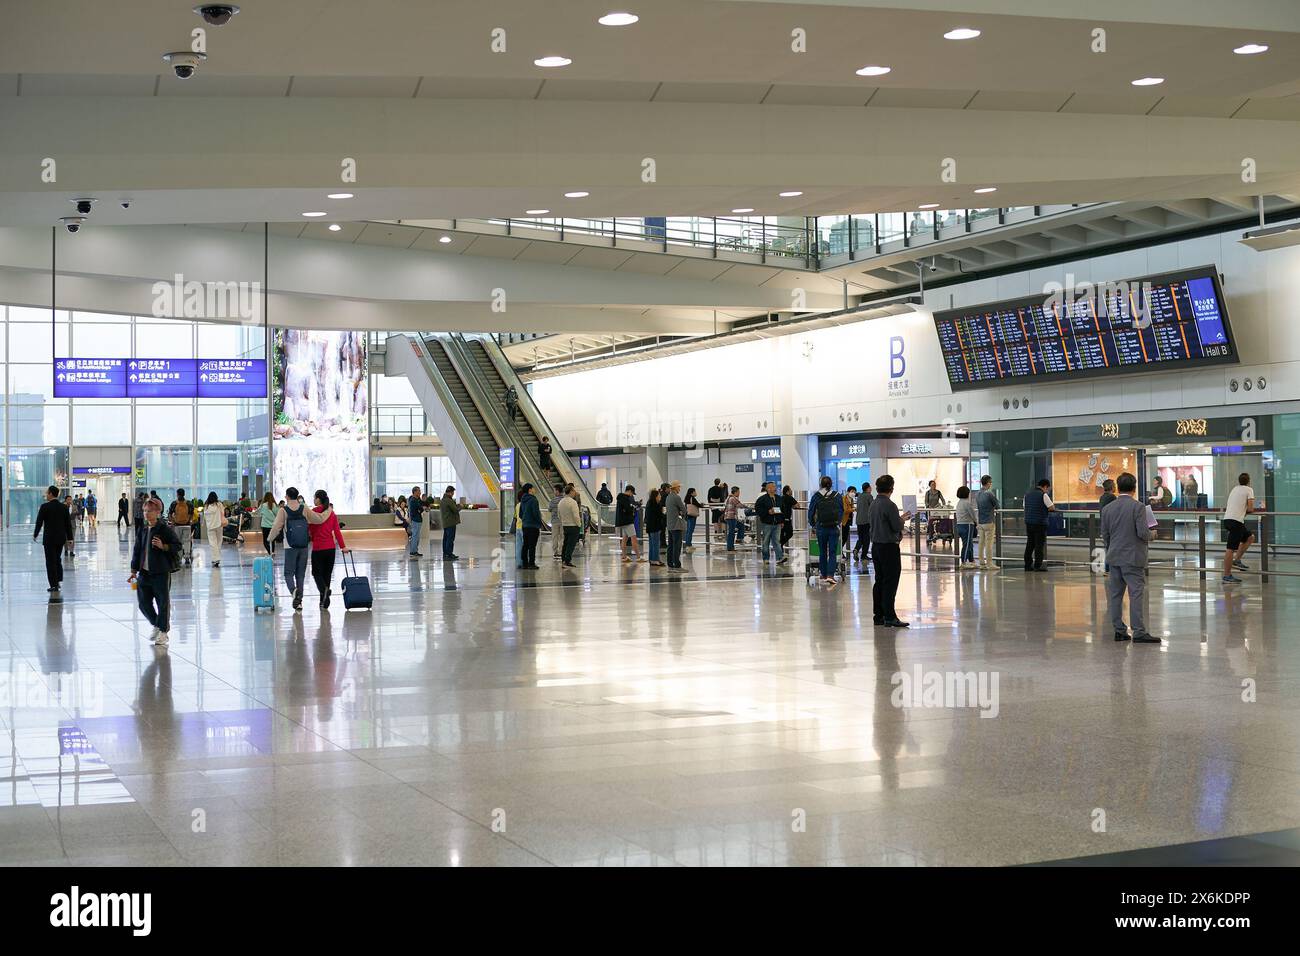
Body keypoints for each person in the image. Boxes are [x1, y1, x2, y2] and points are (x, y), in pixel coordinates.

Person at [1101, 472, 1158, 643]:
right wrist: (1153, 534)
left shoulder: (1107, 509)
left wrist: (1112, 549)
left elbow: (1105, 535)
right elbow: (1142, 533)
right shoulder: (1138, 507)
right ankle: (1139, 631)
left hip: (1114, 556)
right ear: (1134, 488)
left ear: (1118, 487)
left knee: (1115, 595)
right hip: (1133, 558)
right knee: (1136, 594)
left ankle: (1119, 630)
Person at [267, 486, 335, 611]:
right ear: (297, 496)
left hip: (290, 546)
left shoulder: (284, 510)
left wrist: (269, 539)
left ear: (287, 496)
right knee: (300, 574)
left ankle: (294, 593)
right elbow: (318, 519)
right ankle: (299, 602)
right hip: (304, 546)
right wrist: (328, 510)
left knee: (288, 573)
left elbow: (277, 527)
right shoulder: (304, 508)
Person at [128, 497, 182, 647]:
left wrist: (163, 546)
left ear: (158, 512)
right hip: (144, 573)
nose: (146, 514)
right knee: (143, 603)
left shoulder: (164, 529)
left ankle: (163, 632)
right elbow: (137, 550)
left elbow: (177, 545)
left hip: (160, 572)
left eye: (150, 511)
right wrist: (133, 570)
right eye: (145, 511)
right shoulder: (143, 529)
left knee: (162, 603)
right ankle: (157, 625)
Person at [868, 475, 910, 626]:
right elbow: (896, 526)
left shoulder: (873, 503)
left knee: (880, 580)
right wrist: (902, 520)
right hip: (889, 547)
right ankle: (890, 616)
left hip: (877, 546)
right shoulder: (890, 505)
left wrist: (899, 518)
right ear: (891, 488)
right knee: (890, 581)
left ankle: (878, 615)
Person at [308, 490, 347, 608]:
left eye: (315, 497)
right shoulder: (332, 513)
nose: (314, 500)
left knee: (316, 573)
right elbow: (337, 531)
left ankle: (324, 593)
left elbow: (311, 530)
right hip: (330, 548)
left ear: (318, 499)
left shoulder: (313, 512)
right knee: (327, 574)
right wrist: (343, 546)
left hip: (318, 548)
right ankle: (324, 602)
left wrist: (312, 536)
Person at [34, 485, 72, 594]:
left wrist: (35, 534)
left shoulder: (44, 507)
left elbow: (39, 522)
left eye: (47, 493)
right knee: (57, 559)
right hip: (60, 538)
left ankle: (54, 584)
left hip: (49, 539)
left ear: (51, 494)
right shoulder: (64, 507)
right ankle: (58, 580)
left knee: (50, 562)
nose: (46, 495)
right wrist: (70, 538)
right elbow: (68, 524)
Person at [808, 476, 843, 586]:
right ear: (831, 484)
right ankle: (830, 575)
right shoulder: (837, 495)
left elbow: (811, 512)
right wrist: (837, 522)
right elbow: (841, 510)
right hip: (833, 528)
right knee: (832, 552)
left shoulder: (816, 496)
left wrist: (814, 525)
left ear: (820, 484)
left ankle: (823, 574)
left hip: (821, 528)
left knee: (822, 551)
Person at [1222, 472, 1255, 585]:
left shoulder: (1235, 489)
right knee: (1230, 548)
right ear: (1248, 481)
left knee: (1250, 537)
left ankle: (1237, 560)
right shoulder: (1249, 490)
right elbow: (1250, 508)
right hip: (1236, 521)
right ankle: (1226, 575)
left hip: (1228, 519)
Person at [1023, 478, 1054, 572]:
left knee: (1030, 544)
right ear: (1045, 486)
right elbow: (1051, 507)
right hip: (1040, 523)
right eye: (1047, 489)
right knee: (1039, 545)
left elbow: (1024, 506)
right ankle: (1038, 566)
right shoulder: (1043, 495)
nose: (1047, 490)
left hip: (1029, 522)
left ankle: (1028, 565)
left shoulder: (1027, 495)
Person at [754, 481, 785, 565]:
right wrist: (767, 512)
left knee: (776, 541)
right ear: (767, 489)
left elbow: (782, 510)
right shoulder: (762, 499)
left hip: (777, 523)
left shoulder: (779, 498)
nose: (773, 488)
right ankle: (766, 558)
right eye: (771, 487)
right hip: (767, 523)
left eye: (774, 487)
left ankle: (780, 558)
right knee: (766, 541)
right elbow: (758, 509)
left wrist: (782, 521)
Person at [616, 485, 644, 563]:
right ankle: (638, 557)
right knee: (634, 538)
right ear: (629, 491)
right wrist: (633, 508)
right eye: (632, 493)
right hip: (627, 521)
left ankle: (624, 556)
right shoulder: (625, 498)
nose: (632, 495)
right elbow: (628, 509)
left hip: (623, 521)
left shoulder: (621, 497)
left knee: (624, 539)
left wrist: (632, 506)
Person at [975, 476, 998, 570]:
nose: (991, 484)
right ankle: (989, 563)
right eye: (991, 482)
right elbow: (997, 504)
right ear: (988, 483)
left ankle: (981, 562)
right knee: (989, 543)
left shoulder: (978, 494)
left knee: (981, 542)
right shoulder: (989, 494)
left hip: (980, 521)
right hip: (989, 521)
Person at [518, 482, 543, 570]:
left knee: (525, 544)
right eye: (533, 488)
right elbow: (536, 513)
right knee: (532, 545)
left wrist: (525, 519)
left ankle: (524, 563)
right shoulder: (533, 500)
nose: (534, 489)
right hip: (533, 526)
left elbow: (520, 514)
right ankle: (531, 563)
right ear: (530, 490)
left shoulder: (522, 500)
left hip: (525, 526)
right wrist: (539, 522)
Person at [558, 484, 583, 568]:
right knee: (571, 544)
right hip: (573, 526)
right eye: (574, 491)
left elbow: (559, 515)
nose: (575, 493)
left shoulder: (561, 502)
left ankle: (563, 559)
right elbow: (576, 516)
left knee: (565, 543)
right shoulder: (573, 502)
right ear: (571, 491)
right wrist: (579, 524)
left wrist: (563, 522)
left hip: (565, 525)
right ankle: (567, 560)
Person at [664, 481, 687, 571]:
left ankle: (670, 563)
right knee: (677, 545)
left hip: (670, 524)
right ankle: (677, 564)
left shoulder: (668, 497)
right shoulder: (676, 497)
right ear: (675, 488)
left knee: (671, 545)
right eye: (679, 487)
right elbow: (684, 510)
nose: (679, 489)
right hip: (677, 525)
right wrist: (681, 512)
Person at [955, 486, 978, 568]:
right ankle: (963, 562)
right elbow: (972, 515)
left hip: (959, 525)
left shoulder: (959, 503)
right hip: (967, 525)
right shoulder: (967, 503)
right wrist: (976, 522)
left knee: (969, 543)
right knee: (967, 544)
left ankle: (971, 560)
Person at [168, 489, 193, 564]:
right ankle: (187, 557)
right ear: (184, 494)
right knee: (187, 541)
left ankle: (178, 558)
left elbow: (170, 514)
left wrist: (173, 522)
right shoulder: (189, 503)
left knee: (178, 542)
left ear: (177, 494)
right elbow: (192, 514)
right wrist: (189, 521)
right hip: (187, 525)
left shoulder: (174, 503)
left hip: (177, 526)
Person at [439, 485, 464, 560]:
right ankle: (449, 554)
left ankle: (445, 553)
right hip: (450, 522)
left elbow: (450, 508)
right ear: (450, 492)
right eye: (453, 492)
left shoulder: (443, 500)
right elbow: (455, 510)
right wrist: (461, 506)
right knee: (450, 539)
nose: (453, 494)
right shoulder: (448, 500)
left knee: (446, 538)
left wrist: (456, 505)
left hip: (446, 522)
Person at [201, 492, 225, 567]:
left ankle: (215, 559)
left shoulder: (206, 506)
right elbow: (223, 513)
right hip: (219, 525)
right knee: (219, 542)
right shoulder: (219, 504)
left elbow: (205, 517)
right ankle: (217, 558)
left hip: (210, 527)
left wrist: (203, 523)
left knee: (213, 543)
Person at [853, 483, 873, 563]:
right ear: (867, 488)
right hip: (866, 521)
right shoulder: (869, 496)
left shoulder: (860, 496)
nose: (871, 489)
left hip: (859, 520)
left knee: (861, 538)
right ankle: (864, 556)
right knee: (867, 539)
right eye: (870, 487)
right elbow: (873, 506)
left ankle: (856, 549)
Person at [645, 488, 665, 566]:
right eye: (659, 495)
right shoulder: (655, 505)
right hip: (655, 527)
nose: (660, 496)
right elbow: (659, 516)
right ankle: (655, 559)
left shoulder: (649, 503)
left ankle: (652, 559)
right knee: (656, 544)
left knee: (652, 544)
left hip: (650, 527)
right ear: (655, 496)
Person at [924, 480, 947, 545]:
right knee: (931, 523)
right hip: (930, 510)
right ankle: (931, 536)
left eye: (935, 484)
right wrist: (929, 506)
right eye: (932, 484)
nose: (934, 485)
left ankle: (939, 536)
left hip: (937, 509)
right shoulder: (927, 493)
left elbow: (943, 500)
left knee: (938, 523)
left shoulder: (938, 492)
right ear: (930, 485)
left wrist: (944, 506)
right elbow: (926, 502)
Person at [548, 482, 566, 561]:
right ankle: (561, 551)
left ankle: (555, 552)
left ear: (558, 491)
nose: (554, 492)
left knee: (555, 537)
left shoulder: (553, 501)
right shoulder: (564, 500)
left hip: (554, 521)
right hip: (563, 521)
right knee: (562, 537)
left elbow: (549, 509)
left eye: (554, 490)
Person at [780, 484, 798, 552]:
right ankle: (780, 544)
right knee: (790, 533)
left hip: (780, 519)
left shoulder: (781, 498)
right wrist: (792, 506)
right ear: (787, 491)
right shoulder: (790, 497)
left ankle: (780, 554)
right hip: (787, 520)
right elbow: (797, 505)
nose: (791, 491)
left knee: (781, 535)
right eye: (790, 490)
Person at [408, 485, 425, 558]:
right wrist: (421, 509)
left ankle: (415, 551)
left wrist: (421, 509)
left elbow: (421, 507)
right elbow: (419, 509)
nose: (420, 492)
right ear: (415, 492)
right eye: (419, 491)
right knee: (415, 536)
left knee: (417, 536)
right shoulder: (413, 500)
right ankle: (413, 551)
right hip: (415, 520)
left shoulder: (417, 499)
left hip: (418, 520)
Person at [723, 485, 742, 551]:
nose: (739, 493)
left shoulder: (728, 497)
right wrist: (749, 507)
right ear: (735, 492)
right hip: (731, 517)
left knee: (739, 527)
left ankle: (736, 541)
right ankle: (730, 547)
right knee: (731, 532)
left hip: (728, 516)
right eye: (739, 492)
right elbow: (740, 505)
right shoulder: (733, 498)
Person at [684, 487, 702, 552]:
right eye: (695, 491)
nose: (696, 493)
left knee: (688, 530)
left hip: (688, 516)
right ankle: (688, 545)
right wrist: (702, 504)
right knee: (690, 531)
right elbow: (698, 505)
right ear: (692, 492)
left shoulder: (687, 498)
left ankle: (687, 544)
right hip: (692, 516)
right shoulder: (692, 498)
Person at [841, 486, 856, 557]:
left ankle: (840, 551)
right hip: (844, 520)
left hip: (849, 519)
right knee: (843, 537)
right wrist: (853, 509)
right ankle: (840, 552)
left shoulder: (851, 499)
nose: (853, 493)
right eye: (852, 491)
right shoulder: (844, 499)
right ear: (848, 492)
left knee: (845, 536)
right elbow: (845, 510)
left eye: (854, 492)